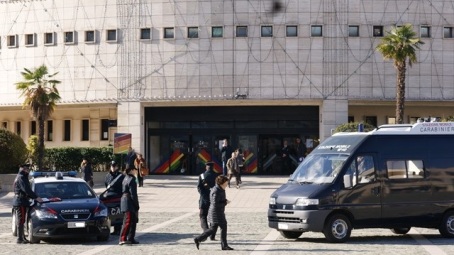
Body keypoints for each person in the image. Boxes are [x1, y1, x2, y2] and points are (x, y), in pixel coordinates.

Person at [194, 175, 234, 250]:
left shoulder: (220, 189)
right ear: (222, 183)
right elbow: (215, 203)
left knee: (212, 229)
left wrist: (224, 201)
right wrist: (225, 202)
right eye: (226, 182)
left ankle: (198, 239)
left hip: (216, 212)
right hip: (217, 213)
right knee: (223, 227)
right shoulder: (216, 191)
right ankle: (224, 245)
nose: (227, 183)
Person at [12, 164, 43, 244]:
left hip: (22, 200)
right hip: (20, 201)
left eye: (28, 169)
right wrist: (36, 197)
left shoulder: (21, 176)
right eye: (26, 169)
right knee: (21, 220)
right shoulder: (21, 177)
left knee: (22, 220)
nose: (28, 170)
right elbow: (27, 190)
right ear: (23, 169)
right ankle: (20, 239)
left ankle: (22, 237)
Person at [197, 162, 219, 241]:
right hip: (214, 200)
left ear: (206, 167)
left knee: (203, 216)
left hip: (204, 200)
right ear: (213, 168)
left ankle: (206, 232)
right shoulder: (217, 176)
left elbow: (199, 188)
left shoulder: (202, 176)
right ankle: (212, 236)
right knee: (213, 218)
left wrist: (204, 196)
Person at [119, 166, 140, 245]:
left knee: (133, 221)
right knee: (128, 221)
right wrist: (136, 204)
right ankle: (122, 238)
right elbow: (133, 194)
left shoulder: (125, 178)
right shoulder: (131, 180)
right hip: (128, 202)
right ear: (131, 170)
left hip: (126, 201)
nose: (136, 171)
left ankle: (131, 238)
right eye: (135, 169)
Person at [104, 161, 125, 235]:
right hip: (110, 197)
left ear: (117, 167)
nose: (113, 167)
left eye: (114, 166)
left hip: (118, 197)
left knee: (118, 213)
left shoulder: (121, 176)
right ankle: (111, 228)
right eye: (112, 166)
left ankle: (118, 229)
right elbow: (106, 185)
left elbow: (123, 186)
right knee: (111, 213)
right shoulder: (107, 176)